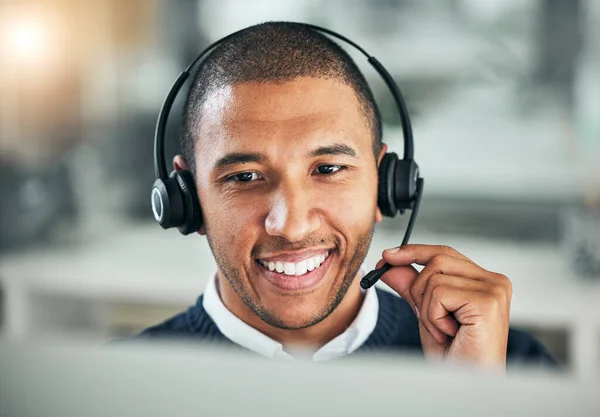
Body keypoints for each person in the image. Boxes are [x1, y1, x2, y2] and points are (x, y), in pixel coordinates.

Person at [138, 22, 557, 370]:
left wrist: (471, 403)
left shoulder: (510, 367)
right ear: (188, 200)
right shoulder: (117, 387)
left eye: (328, 169)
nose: (291, 225)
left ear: (386, 184)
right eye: (245, 176)